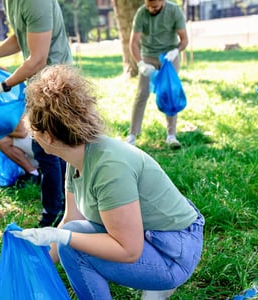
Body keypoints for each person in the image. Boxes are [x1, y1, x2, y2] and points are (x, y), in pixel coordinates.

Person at [11, 65, 204, 300]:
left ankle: (160, 283)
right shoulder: (77, 156)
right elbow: (72, 219)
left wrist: (62, 238)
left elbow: (129, 250)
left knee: (72, 243)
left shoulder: (109, 167)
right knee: (71, 235)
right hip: (151, 238)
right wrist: (37, 266)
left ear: (48, 137)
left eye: (33, 129)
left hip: (174, 253)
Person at [0, 0, 73, 227]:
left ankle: (55, 216)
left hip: (57, 83)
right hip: (39, 84)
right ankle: (66, 211)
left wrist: (3, 86)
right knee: (52, 151)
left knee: (52, 151)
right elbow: (21, 37)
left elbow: (37, 58)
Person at [126, 0, 189, 149]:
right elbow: (133, 43)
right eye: (148, 5)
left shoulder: (174, 11)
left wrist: (176, 51)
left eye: (154, 6)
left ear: (163, 2)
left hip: (169, 57)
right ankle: (132, 135)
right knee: (142, 94)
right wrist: (140, 63)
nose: (150, 9)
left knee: (170, 94)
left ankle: (171, 135)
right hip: (148, 56)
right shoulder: (142, 13)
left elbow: (184, 40)